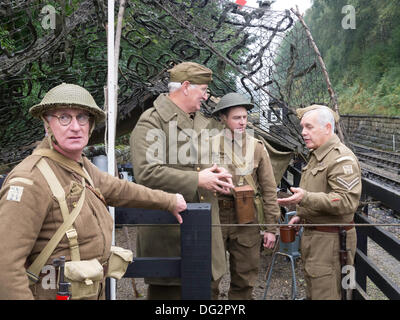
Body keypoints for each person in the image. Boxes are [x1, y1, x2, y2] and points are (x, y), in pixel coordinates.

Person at [0, 83, 187, 300]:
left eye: (82, 117)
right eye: (63, 117)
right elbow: (5, 265)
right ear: (47, 124)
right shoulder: (30, 180)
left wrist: (168, 200)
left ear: (90, 125)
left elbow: (120, 189)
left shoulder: (81, 166)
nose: (75, 126)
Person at [130, 61, 234, 299]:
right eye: (203, 90)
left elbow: (202, 164)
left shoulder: (202, 122)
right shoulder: (152, 121)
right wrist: (197, 178)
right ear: (186, 86)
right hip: (170, 236)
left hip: (205, 233)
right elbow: (146, 172)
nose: (206, 97)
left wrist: (216, 175)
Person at [277, 104, 362, 300]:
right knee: (316, 290)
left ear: (328, 128)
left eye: (309, 127)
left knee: (328, 293)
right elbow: (321, 191)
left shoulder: (342, 159)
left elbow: (347, 201)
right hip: (318, 239)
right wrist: (302, 214)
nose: (303, 133)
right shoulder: (318, 155)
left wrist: (305, 198)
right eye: (302, 127)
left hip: (332, 242)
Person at [210, 92, 281, 300]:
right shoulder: (207, 145)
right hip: (215, 215)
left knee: (245, 276)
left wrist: (271, 228)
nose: (242, 122)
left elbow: (269, 190)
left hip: (246, 216)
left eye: (244, 117)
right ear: (223, 118)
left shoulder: (257, 148)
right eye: (236, 118)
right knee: (209, 275)